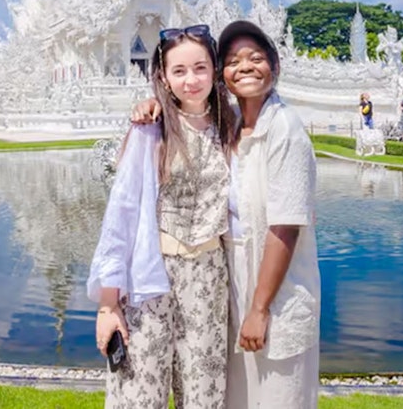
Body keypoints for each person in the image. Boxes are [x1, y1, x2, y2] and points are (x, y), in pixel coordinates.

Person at [132, 21, 322, 408]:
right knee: (236, 397)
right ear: (224, 77)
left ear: (275, 66)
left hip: (274, 294)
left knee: (278, 396)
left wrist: (259, 308)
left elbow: (285, 227)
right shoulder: (229, 124)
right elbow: (186, 113)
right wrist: (154, 104)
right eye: (233, 61)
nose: (246, 67)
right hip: (228, 286)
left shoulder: (284, 128)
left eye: (256, 58)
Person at [88, 24, 236, 408]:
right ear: (164, 78)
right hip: (150, 278)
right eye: (179, 71)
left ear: (215, 70)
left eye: (200, 68)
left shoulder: (231, 127)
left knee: (204, 393)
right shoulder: (150, 130)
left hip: (208, 274)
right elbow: (120, 218)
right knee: (139, 393)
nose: (191, 80)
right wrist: (108, 305)